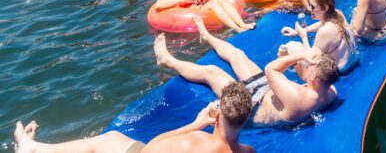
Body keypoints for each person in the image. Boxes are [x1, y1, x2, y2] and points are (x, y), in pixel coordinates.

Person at [154, 26, 338, 127]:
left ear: (314, 78)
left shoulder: (298, 97)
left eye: (312, 68)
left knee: (210, 71)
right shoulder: (330, 90)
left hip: (251, 105)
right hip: (268, 93)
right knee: (238, 55)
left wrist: (300, 56)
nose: (309, 66)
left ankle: (166, 59)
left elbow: (271, 69)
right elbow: (293, 77)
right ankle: (207, 37)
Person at [14, 81, 254, 153]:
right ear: (245, 119)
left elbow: (151, 148)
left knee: (107, 140)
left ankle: (32, 149)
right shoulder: (249, 152)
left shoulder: (194, 142)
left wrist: (195, 124)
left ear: (218, 115)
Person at [280, 0, 357, 73]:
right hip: (351, 62)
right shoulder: (337, 14)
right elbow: (322, 24)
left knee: (292, 46)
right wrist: (302, 30)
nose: (309, 9)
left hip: (336, 73)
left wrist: (303, 36)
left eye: (313, 7)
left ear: (325, 8)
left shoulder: (325, 31)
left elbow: (310, 60)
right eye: (309, 5)